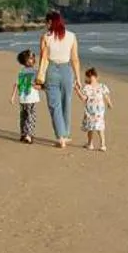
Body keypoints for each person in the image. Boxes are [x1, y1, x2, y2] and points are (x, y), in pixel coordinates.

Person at [35, 10, 82, 149]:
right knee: (66, 103)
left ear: (50, 22)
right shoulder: (71, 36)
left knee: (54, 105)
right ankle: (65, 135)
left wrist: (40, 77)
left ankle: (61, 137)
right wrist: (78, 78)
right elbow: (75, 59)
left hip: (51, 70)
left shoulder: (45, 37)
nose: (46, 25)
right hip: (66, 70)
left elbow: (43, 59)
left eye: (46, 22)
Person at [79, 66, 113, 152]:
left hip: (96, 110)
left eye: (91, 76)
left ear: (95, 77)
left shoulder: (99, 86)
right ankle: (94, 144)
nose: (91, 78)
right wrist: (77, 90)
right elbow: (84, 98)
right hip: (93, 110)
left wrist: (109, 103)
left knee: (97, 127)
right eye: (89, 77)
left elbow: (106, 95)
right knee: (94, 127)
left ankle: (99, 144)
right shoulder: (89, 87)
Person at [10, 48, 41, 143]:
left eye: (33, 57)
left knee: (24, 116)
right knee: (30, 116)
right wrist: (38, 86)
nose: (33, 59)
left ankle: (24, 134)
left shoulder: (22, 72)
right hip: (30, 98)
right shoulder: (34, 72)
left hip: (23, 98)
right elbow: (38, 85)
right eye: (31, 58)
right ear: (25, 61)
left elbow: (17, 84)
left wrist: (13, 96)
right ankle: (28, 135)